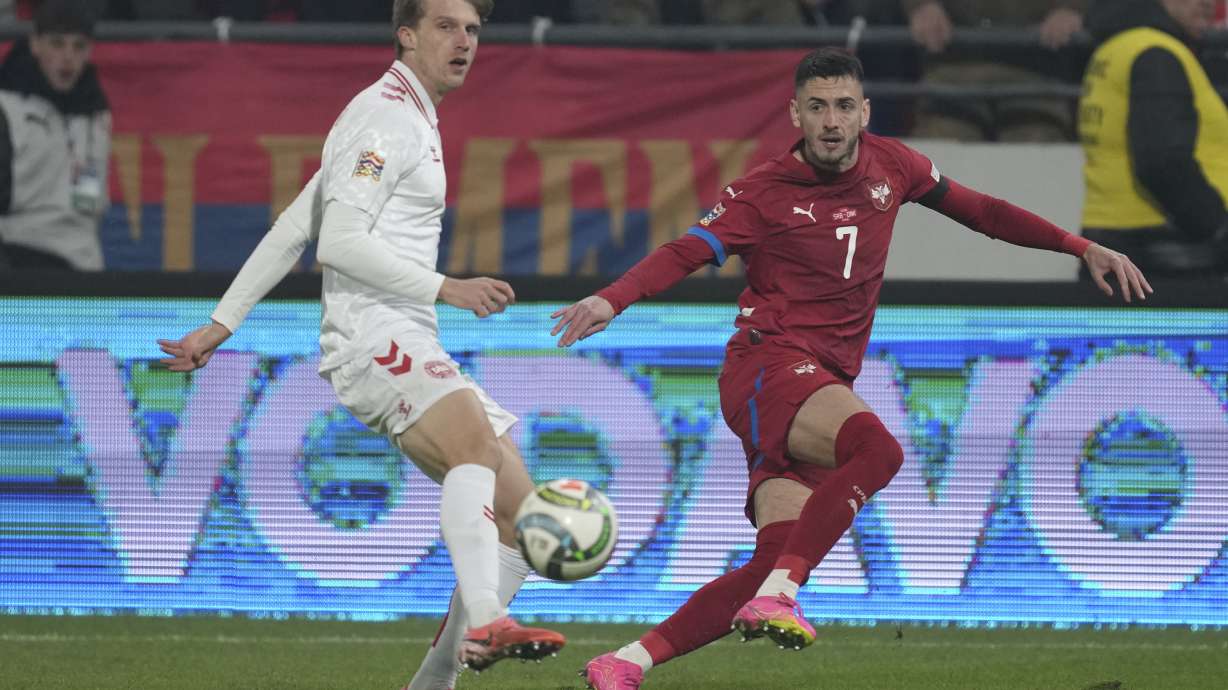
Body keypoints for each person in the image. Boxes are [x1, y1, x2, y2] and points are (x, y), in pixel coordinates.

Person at [553, 47, 1150, 690]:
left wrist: (1079, 245)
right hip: (768, 367)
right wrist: (610, 297)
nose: (831, 121)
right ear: (796, 115)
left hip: (820, 382)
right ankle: (784, 594)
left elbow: (985, 213)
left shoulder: (895, 166)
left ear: (864, 111)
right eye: (817, 108)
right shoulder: (764, 191)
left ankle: (623, 664)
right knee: (878, 451)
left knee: (769, 560)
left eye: (843, 106)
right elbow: (687, 250)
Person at [156, 2, 566, 688]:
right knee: (472, 444)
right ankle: (489, 619)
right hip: (374, 335)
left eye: (472, 29)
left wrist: (222, 323)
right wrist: (448, 287)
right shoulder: (383, 117)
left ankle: (434, 681)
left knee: (522, 523)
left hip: (405, 332)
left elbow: (295, 224)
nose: (463, 41)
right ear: (406, 36)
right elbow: (338, 243)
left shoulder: (406, 114)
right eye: (444, 26)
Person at [1079, 0, 1228, 279]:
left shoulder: (1116, 47)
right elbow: (1163, 163)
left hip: (1121, 248)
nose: (1209, 3)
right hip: (1168, 258)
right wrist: (1219, 228)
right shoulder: (1157, 53)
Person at [0, 0, 110, 270]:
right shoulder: (6, 109)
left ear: (90, 51)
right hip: (16, 257)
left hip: (82, 263)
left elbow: (90, 203)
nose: (68, 57)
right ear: (35, 44)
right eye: (57, 44)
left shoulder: (96, 115)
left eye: (78, 46)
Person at [904, 0, 1087, 141]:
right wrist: (921, 5)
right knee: (939, 146)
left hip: (1036, 74)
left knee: (1038, 147)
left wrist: (1072, 8)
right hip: (953, 69)